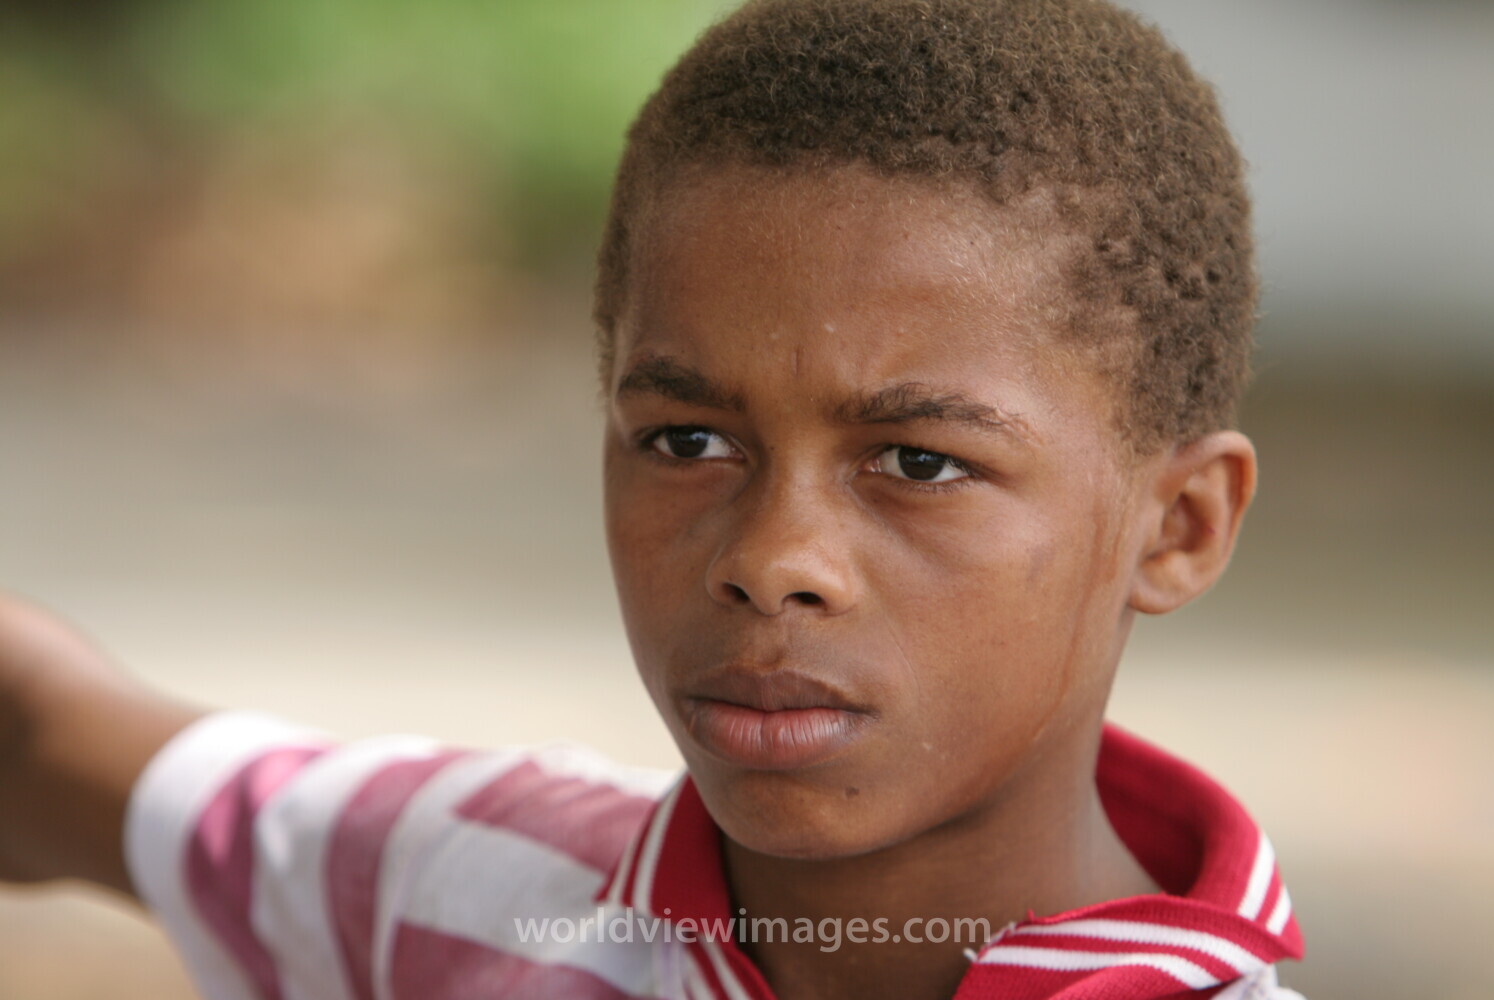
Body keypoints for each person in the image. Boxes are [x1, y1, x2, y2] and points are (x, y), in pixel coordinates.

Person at [0, 1, 1307, 997]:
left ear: (1180, 525)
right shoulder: (473, 886)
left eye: (919, 463)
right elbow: (44, 737)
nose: (776, 559)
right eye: (687, 439)